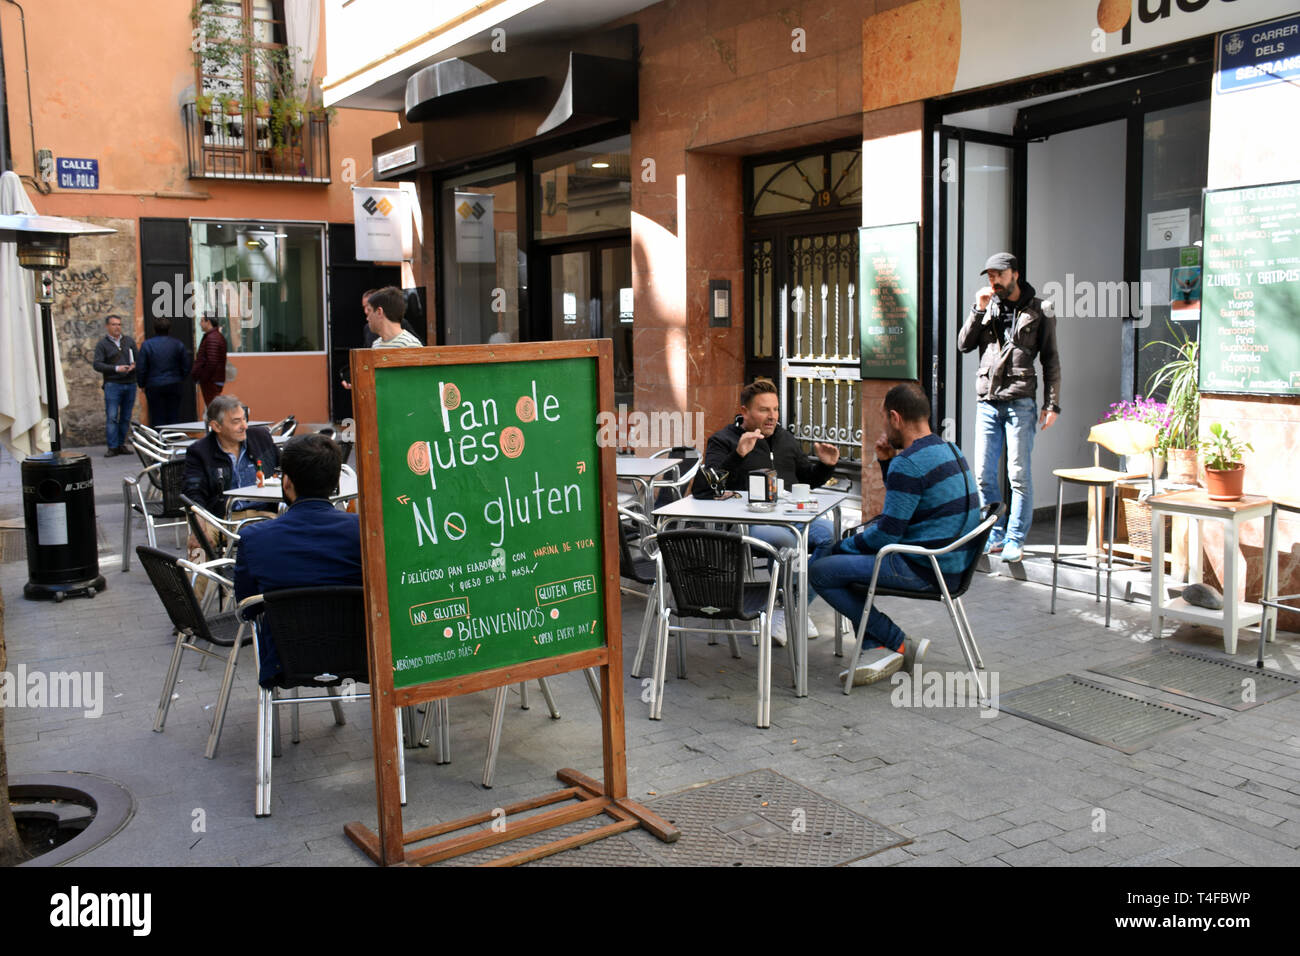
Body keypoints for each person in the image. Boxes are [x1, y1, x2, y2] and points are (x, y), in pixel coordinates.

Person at [809, 383, 980, 686]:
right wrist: (888, 462)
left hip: (924, 567)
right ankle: (873, 647)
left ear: (895, 418)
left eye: (885, 420)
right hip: (955, 564)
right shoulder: (949, 449)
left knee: (821, 571)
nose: (884, 426)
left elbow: (886, 535)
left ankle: (898, 642)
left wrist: (842, 546)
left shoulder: (909, 462)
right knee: (850, 563)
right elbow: (910, 501)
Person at [693, 377, 839, 642]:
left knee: (831, 535)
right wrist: (737, 455)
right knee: (788, 542)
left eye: (775, 409)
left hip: (793, 516)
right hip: (750, 523)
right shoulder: (723, 440)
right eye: (764, 410)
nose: (772, 417)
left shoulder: (786, 439)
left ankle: (790, 608)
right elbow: (702, 489)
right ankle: (791, 609)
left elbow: (805, 479)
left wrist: (826, 466)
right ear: (744, 412)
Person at [234, 433, 362, 687]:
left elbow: (247, 607)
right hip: (363, 657)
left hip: (284, 661)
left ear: (287, 483)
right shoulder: (366, 533)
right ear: (336, 481)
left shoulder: (255, 538)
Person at [957, 252, 1060, 564]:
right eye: (989, 276)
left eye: (999, 275)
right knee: (984, 475)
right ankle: (995, 533)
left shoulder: (1040, 308)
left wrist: (1052, 403)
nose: (994, 281)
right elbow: (963, 344)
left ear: (1015, 273)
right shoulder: (988, 308)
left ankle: (1016, 537)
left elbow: (1051, 359)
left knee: (1018, 475)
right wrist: (978, 309)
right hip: (988, 400)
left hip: (1020, 400)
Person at [182, 394, 279, 519]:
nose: (244, 426)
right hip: (222, 519)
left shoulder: (260, 439)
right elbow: (192, 492)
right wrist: (199, 521)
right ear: (216, 426)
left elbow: (286, 467)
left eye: (244, 419)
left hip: (264, 515)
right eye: (236, 421)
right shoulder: (200, 452)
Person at [91, 314, 137, 456]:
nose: (117, 327)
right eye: (114, 324)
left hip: (129, 382)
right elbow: (97, 364)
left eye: (119, 324)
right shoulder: (102, 344)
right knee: (111, 416)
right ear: (107, 326)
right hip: (113, 384)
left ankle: (121, 444)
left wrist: (134, 365)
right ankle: (112, 446)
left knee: (126, 416)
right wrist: (116, 369)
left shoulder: (128, 341)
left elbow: (138, 357)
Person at [135, 315, 192, 428]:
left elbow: (141, 367)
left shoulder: (147, 345)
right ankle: (173, 440)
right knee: (174, 415)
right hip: (174, 383)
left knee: (157, 416)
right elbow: (186, 365)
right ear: (169, 329)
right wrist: (181, 377)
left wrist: (141, 384)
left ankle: (160, 441)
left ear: (154, 329)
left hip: (154, 384)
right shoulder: (177, 344)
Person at [191, 314, 228, 411]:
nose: (200, 323)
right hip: (213, 379)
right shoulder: (213, 336)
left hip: (211, 380)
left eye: (202, 320)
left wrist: (203, 378)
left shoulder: (212, 338)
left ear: (208, 322)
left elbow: (212, 362)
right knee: (214, 409)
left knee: (214, 410)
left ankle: (216, 426)